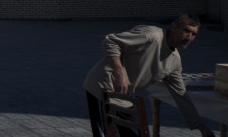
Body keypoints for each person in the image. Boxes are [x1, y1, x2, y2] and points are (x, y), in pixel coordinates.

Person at [83, 14, 215, 137]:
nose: (189, 37)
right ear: (173, 27)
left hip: (124, 97)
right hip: (101, 87)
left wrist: (201, 127)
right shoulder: (151, 35)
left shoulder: (174, 61)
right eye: (186, 31)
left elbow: (180, 95)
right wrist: (120, 72)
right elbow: (111, 41)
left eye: (194, 34)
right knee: (110, 133)